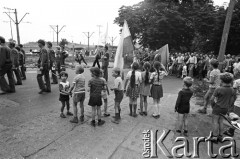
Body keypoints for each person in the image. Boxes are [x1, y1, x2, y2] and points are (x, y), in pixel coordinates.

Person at [208, 72, 235, 143]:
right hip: (225, 108)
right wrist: (228, 107)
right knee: (221, 121)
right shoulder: (232, 89)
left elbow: (211, 99)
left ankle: (214, 137)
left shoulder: (218, 89)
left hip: (218, 107)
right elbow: (232, 100)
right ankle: (220, 136)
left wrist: (213, 106)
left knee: (215, 122)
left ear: (222, 80)